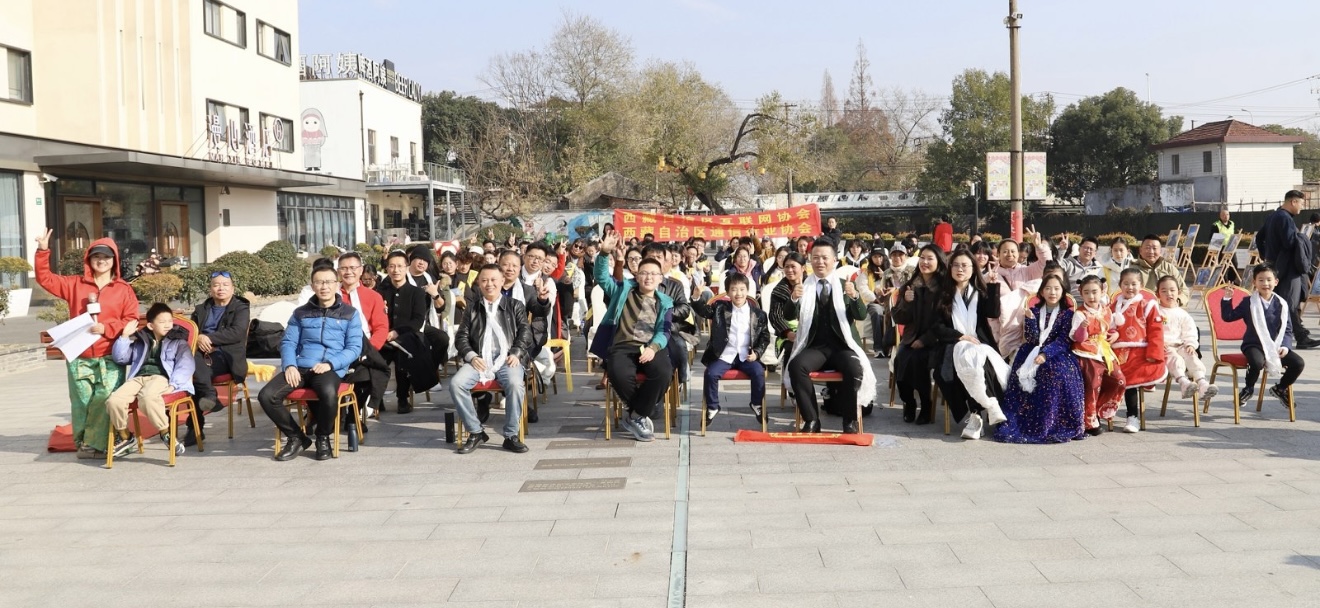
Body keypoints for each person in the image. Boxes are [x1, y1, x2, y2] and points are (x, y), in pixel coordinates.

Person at [34, 231, 140, 459]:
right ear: (89, 260)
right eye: (96, 257)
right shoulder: (74, 284)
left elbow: (131, 320)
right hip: (79, 356)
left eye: (106, 257)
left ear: (114, 260)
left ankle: (96, 445)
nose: (101, 261)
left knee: (103, 400)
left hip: (110, 356)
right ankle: (83, 444)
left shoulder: (123, 289)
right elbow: (46, 279)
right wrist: (43, 251)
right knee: (81, 402)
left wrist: (107, 328)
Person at [259, 263, 363, 461]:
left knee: (328, 394)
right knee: (267, 396)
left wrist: (331, 363)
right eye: (319, 282)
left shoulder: (349, 313)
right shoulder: (301, 313)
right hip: (301, 366)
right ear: (312, 286)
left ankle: (322, 437)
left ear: (337, 284)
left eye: (328, 282)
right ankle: (296, 437)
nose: (324, 286)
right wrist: (290, 365)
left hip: (330, 367)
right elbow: (288, 342)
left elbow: (354, 348)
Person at [782, 239, 875, 434]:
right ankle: (811, 420)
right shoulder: (804, 286)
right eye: (816, 258)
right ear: (810, 260)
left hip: (842, 346)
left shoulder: (845, 285)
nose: (820, 262)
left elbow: (861, 315)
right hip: (816, 347)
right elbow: (788, 315)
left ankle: (849, 420)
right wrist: (794, 298)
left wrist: (855, 296)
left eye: (825, 258)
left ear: (834, 260)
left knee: (854, 367)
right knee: (796, 366)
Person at [593, 232, 674, 442]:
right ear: (636, 275)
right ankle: (641, 414)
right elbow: (602, 277)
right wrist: (604, 253)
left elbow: (664, 331)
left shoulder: (665, 302)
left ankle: (636, 415)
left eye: (653, 274)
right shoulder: (622, 290)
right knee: (617, 373)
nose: (648, 277)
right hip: (622, 345)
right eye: (644, 273)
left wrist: (653, 348)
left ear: (660, 278)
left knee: (663, 372)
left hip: (650, 347)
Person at [451, 264, 533, 454]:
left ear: (502, 281)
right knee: (456, 384)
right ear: (478, 283)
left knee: (515, 384)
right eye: (484, 280)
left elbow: (525, 332)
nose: (489, 284)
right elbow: (461, 337)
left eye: (493, 280)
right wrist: (471, 356)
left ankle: (511, 435)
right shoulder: (472, 308)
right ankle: (476, 431)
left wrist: (517, 352)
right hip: (479, 359)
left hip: (508, 358)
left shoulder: (515, 305)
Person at [993, 274, 1086, 444]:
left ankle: (1052, 422)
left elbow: (1063, 340)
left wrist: (1045, 354)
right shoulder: (1034, 311)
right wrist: (1029, 321)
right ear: (1041, 292)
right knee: (1022, 373)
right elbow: (1032, 339)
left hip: (1057, 352)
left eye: (1056, 288)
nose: (1052, 292)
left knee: (1057, 372)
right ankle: (1026, 422)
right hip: (1032, 350)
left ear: (1063, 291)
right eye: (1048, 288)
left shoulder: (1067, 314)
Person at [930, 250, 1007, 440]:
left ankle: (977, 415)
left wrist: (993, 286)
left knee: (982, 364)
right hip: (952, 344)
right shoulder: (942, 294)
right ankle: (985, 408)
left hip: (979, 343)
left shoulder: (980, 292)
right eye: (956, 265)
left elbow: (993, 313)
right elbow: (936, 327)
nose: (960, 269)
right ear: (950, 268)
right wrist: (960, 336)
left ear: (973, 269)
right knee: (959, 366)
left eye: (965, 265)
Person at [106, 303, 194, 457]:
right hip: (138, 378)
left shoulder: (178, 341)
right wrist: (124, 336)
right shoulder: (141, 341)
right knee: (114, 401)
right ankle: (126, 437)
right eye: (162, 322)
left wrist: (174, 385)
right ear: (150, 325)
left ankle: (166, 433)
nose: (167, 325)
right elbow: (120, 358)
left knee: (147, 398)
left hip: (161, 377)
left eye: (170, 321)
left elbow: (186, 365)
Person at [1223, 264, 1305, 407]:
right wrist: (1227, 299)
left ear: (1276, 282)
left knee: (1298, 363)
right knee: (1257, 362)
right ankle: (1248, 389)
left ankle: (1280, 389)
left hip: (1275, 346)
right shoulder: (1248, 302)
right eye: (1260, 280)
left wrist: (1285, 346)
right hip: (1253, 345)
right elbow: (1228, 317)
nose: (1265, 283)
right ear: (1254, 282)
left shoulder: (1282, 304)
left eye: (1268, 280)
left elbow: (1287, 329)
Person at [692, 273, 770, 422]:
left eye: (742, 289)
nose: (738, 293)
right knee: (711, 374)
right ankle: (713, 406)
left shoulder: (759, 314)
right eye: (734, 289)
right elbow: (704, 311)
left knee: (758, 372)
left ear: (747, 290)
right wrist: (696, 297)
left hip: (747, 355)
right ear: (727, 292)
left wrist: (757, 353)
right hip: (724, 354)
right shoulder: (720, 308)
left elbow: (765, 337)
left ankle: (757, 404)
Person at [187, 270, 251, 446]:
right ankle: (208, 399)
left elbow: (237, 332)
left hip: (227, 357)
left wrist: (208, 338)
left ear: (233, 289)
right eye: (216, 285)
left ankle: (195, 427)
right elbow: (190, 332)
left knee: (193, 371)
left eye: (225, 285)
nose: (220, 288)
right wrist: (198, 338)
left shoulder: (240, 308)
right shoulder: (201, 309)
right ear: (210, 289)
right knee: (190, 367)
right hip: (202, 356)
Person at [891, 245, 949, 425]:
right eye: (922, 258)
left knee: (919, 361)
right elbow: (898, 317)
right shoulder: (910, 285)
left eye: (930, 259)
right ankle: (909, 402)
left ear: (939, 262)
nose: (925, 262)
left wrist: (925, 340)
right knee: (900, 361)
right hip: (911, 338)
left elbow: (946, 320)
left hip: (936, 339)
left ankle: (926, 405)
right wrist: (907, 302)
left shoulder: (945, 288)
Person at [1257, 190, 1318, 349]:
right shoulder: (1285, 218)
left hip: (1275, 266)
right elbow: (1290, 243)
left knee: (1284, 302)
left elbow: (1259, 237)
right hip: (1289, 268)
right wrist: (1302, 238)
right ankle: (1300, 337)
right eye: (1301, 203)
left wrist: (1266, 256)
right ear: (1293, 202)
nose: (1302, 208)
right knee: (1289, 303)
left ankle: (1290, 335)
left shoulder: (1272, 216)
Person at [376, 251, 435, 414]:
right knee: (375, 358)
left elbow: (418, 320)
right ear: (387, 268)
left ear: (406, 268)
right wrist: (384, 333)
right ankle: (376, 398)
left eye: (400, 266)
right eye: (392, 266)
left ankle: (402, 398)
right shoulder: (379, 292)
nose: (396, 270)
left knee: (403, 355)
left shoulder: (416, 292)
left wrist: (397, 332)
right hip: (383, 336)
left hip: (408, 336)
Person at [1110, 268, 1167, 434]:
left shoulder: (1147, 305)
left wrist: (1154, 354)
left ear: (1141, 285)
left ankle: (1132, 416)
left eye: (1134, 284)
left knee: (1130, 382)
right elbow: (1105, 325)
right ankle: (1100, 414)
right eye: (1126, 283)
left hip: (1140, 354)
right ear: (1120, 285)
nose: (1130, 287)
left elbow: (1156, 331)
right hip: (1115, 353)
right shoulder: (1113, 306)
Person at [338, 252, 390, 421]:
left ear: (361, 270)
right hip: (335, 348)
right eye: (344, 268)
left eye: (353, 268)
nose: (348, 272)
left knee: (372, 373)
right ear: (338, 271)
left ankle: (355, 413)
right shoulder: (330, 295)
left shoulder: (373, 296)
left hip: (365, 347)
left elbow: (381, 327)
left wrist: (369, 350)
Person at [1070, 275, 1125, 436]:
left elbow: (1111, 328)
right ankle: (1090, 420)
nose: (1091, 296)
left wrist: (1115, 334)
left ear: (1102, 292)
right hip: (1086, 351)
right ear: (1081, 293)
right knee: (1093, 383)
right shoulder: (1080, 314)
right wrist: (1082, 328)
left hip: (1104, 350)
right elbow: (1077, 338)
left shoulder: (1106, 310)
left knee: (1119, 380)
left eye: (1094, 292)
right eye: (1086, 292)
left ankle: (1099, 409)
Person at [1156, 275, 1219, 402]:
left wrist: (1190, 344)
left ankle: (1202, 383)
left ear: (1178, 292)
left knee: (1191, 356)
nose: (1169, 294)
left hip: (1180, 345)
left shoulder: (1183, 314)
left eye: (1172, 290)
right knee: (1175, 358)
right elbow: (1151, 331)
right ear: (1157, 294)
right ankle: (1183, 382)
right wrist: (1158, 342)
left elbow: (1190, 331)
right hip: (1164, 347)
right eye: (1164, 291)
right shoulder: (1156, 311)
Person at [768, 252, 806, 364]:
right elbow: (775, 316)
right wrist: (788, 333)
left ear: (803, 268)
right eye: (786, 267)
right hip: (788, 334)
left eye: (793, 266)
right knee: (791, 348)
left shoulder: (812, 285)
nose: (789, 270)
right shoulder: (779, 291)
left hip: (811, 331)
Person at [1133, 234, 1188, 307]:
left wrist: (1177, 301)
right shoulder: (1132, 270)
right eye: (1147, 248)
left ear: (1160, 251)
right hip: (1141, 309)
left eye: (1154, 248)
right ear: (1140, 250)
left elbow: (1184, 291)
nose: (1151, 252)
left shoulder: (1169, 268)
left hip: (1168, 309)